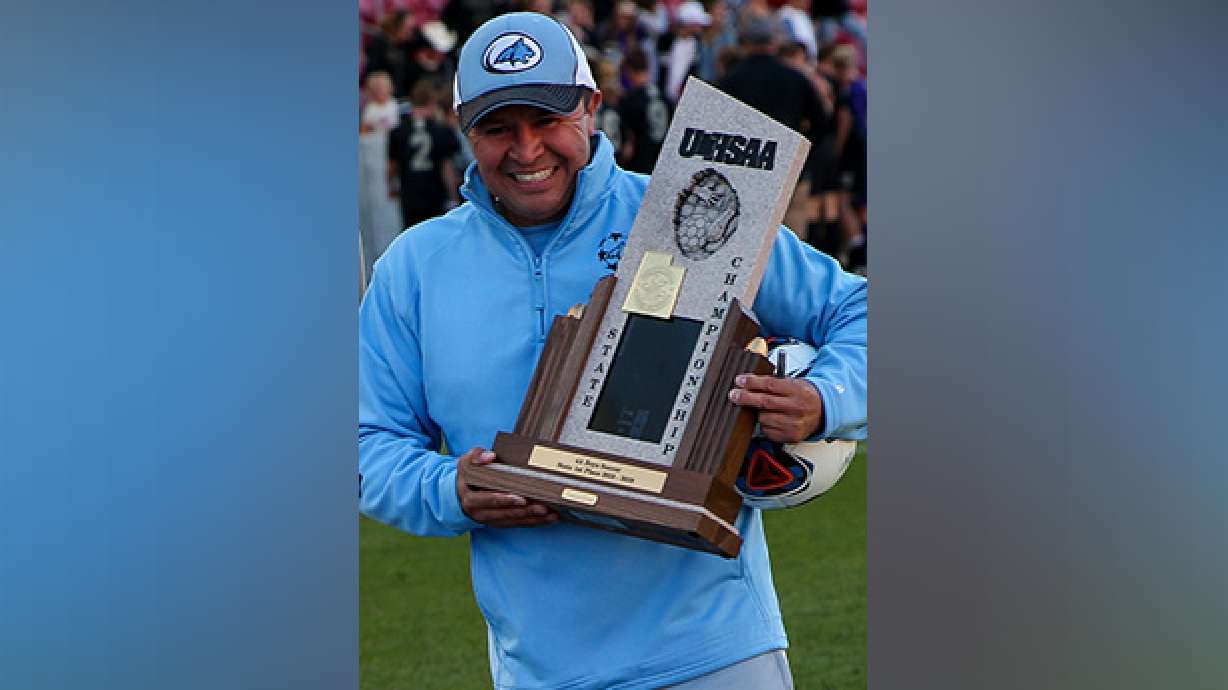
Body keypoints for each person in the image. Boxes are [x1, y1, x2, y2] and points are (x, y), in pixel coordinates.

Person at [359, 12, 866, 690]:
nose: (527, 149)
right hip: (542, 669)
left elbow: (860, 310)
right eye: (498, 128)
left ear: (592, 108)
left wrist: (822, 399)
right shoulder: (414, 268)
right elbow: (367, 443)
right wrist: (449, 489)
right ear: (463, 128)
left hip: (713, 651)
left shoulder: (689, 208)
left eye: (548, 120)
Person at [386, 79, 461, 229]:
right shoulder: (442, 131)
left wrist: (391, 185)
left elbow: (392, 166)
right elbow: (446, 167)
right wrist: (453, 195)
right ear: (433, 103)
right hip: (435, 194)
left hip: (409, 193)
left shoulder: (398, 131)